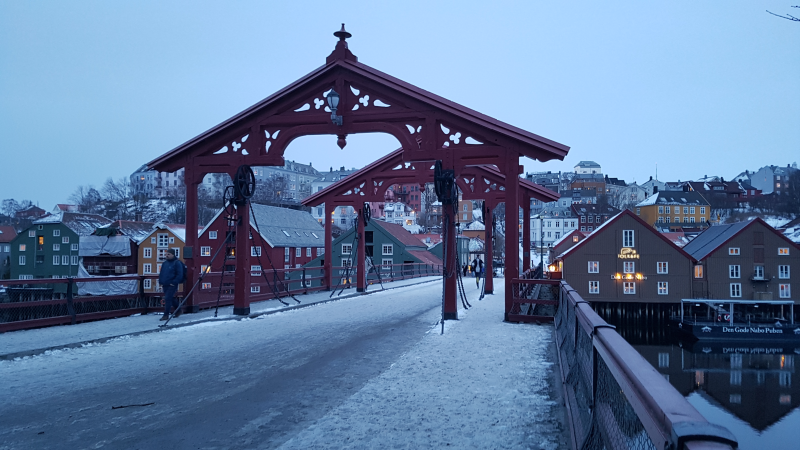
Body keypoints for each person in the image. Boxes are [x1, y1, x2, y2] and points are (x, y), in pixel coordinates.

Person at [159, 249, 185, 320]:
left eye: (169, 254)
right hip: (165, 283)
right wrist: (161, 281)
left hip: (172, 284)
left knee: (167, 298)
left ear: (173, 255)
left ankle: (166, 315)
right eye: (166, 254)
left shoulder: (177, 263)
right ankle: (178, 310)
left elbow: (180, 274)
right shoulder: (164, 263)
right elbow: (162, 273)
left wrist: (174, 282)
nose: (167, 255)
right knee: (171, 298)